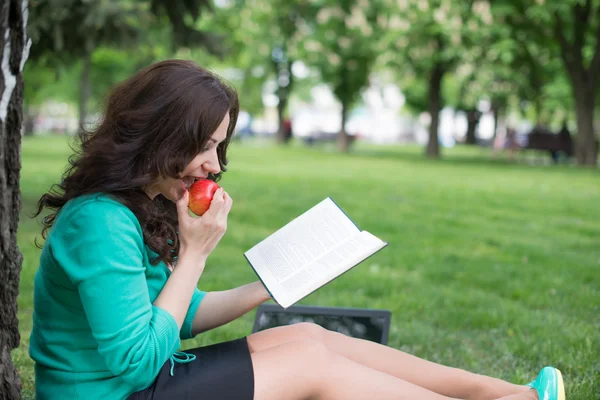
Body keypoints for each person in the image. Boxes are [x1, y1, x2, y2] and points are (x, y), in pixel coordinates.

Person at [29, 60, 565, 400]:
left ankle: (503, 393)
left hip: (143, 380)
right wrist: (192, 256)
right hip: (118, 391)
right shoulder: (99, 221)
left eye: (220, 146)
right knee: (308, 363)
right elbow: (137, 359)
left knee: (305, 336)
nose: (215, 165)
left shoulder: (137, 206)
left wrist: (265, 289)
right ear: (160, 137)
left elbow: (174, 314)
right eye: (205, 145)